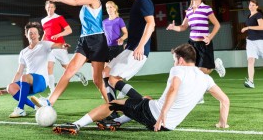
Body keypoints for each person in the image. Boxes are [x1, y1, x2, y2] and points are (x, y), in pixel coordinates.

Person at [52, 44, 230, 134]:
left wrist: (162, 115)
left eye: (175, 59)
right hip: (169, 125)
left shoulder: (178, 69)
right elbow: (225, 100)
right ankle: (117, 122)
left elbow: (174, 89)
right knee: (144, 98)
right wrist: (222, 122)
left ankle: (76, 125)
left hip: (156, 117)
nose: (174, 62)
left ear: (181, 59)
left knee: (113, 104)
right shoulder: (206, 79)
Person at [31, 0, 109, 106]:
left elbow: (75, 2)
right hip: (84, 40)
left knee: (97, 80)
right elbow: (77, 2)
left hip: (97, 41)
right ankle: (49, 102)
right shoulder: (84, 5)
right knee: (69, 71)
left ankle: (113, 107)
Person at [101, 0, 155, 105]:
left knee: (113, 80)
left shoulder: (144, 1)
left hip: (138, 50)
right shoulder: (138, 2)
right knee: (106, 72)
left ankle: (143, 104)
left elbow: (151, 24)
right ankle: (113, 111)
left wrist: (140, 46)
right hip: (131, 47)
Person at [0, 22, 67, 118]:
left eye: (34, 33)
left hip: (41, 81)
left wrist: (62, 46)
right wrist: (6, 90)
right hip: (28, 82)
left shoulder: (44, 45)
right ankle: (36, 107)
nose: (32, 35)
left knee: (24, 76)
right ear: (26, 35)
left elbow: (55, 45)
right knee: (10, 87)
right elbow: (19, 72)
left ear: (39, 35)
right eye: (30, 33)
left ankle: (20, 109)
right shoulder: (23, 52)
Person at [166, 0, 226, 78]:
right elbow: (183, 27)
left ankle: (215, 65)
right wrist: (174, 27)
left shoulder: (207, 8)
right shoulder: (189, 11)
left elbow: (217, 25)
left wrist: (210, 37)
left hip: (204, 43)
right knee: (192, 68)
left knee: (202, 71)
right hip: (192, 44)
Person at [41, 0, 87, 94]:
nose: (50, 9)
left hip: (60, 46)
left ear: (55, 8)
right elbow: (45, 33)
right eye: (48, 7)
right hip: (49, 47)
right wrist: (41, 43)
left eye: (52, 7)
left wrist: (58, 35)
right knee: (49, 67)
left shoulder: (59, 18)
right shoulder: (43, 20)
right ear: (46, 8)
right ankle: (53, 91)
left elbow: (69, 30)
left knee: (66, 67)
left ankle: (78, 74)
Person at [102, 1, 128, 100]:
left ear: (115, 8)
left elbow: (126, 33)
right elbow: (104, 35)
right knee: (105, 72)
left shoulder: (119, 20)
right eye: (107, 7)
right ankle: (109, 91)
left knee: (116, 71)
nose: (109, 9)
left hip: (117, 47)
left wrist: (122, 38)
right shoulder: (104, 22)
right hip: (107, 48)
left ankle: (122, 90)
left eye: (111, 7)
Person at [241, 0, 263, 88]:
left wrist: (248, 27)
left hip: (260, 41)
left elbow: (261, 27)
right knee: (250, 60)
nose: (251, 6)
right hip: (250, 41)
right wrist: (248, 35)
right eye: (250, 5)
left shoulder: (258, 14)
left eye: (253, 5)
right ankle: (251, 82)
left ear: (257, 6)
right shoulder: (249, 15)